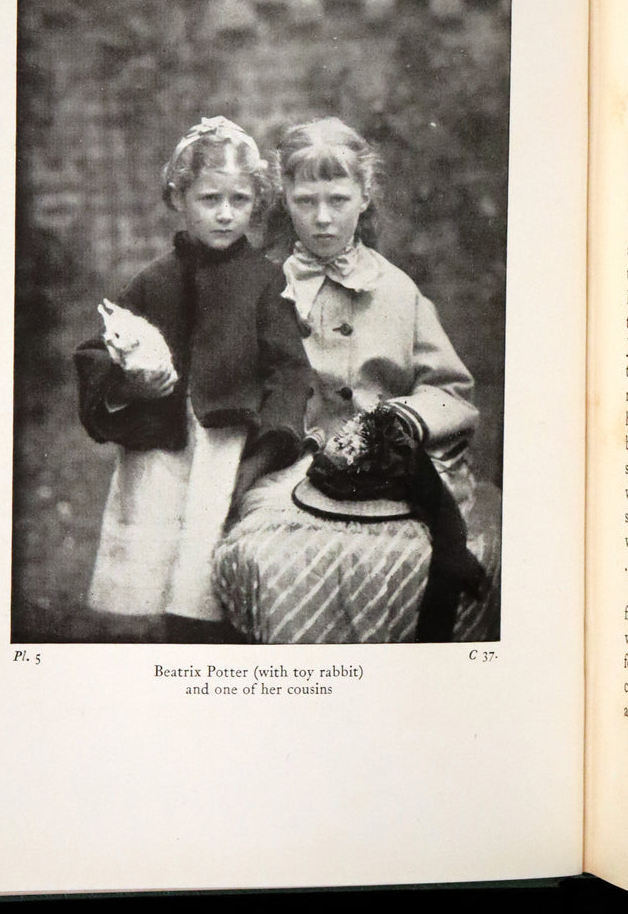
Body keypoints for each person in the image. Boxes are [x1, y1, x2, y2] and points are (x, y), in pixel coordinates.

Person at [214, 117, 501, 643]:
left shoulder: (397, 291)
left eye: (339, 199)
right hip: (294, 471)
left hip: (395, 474)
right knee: (274, 558)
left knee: (426, 561)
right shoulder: (260, 288)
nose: (323, 219)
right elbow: (235, 387)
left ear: (365, 196)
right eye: (306, 201)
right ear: (285, 201)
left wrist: (406, 419)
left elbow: (450, 391)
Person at [74, 117, 313, 643]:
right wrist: (127, 385)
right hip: (162, 448)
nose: (226, 214)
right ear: (179, 197)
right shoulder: (155, 279)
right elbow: (98, 351)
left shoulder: (264, 280)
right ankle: (175, 656)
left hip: (226, 450)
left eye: (240, 200)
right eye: (209, 198)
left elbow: (290, 369)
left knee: (212, 573)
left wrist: (268, 446)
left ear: (256, 202)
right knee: (163, 572)